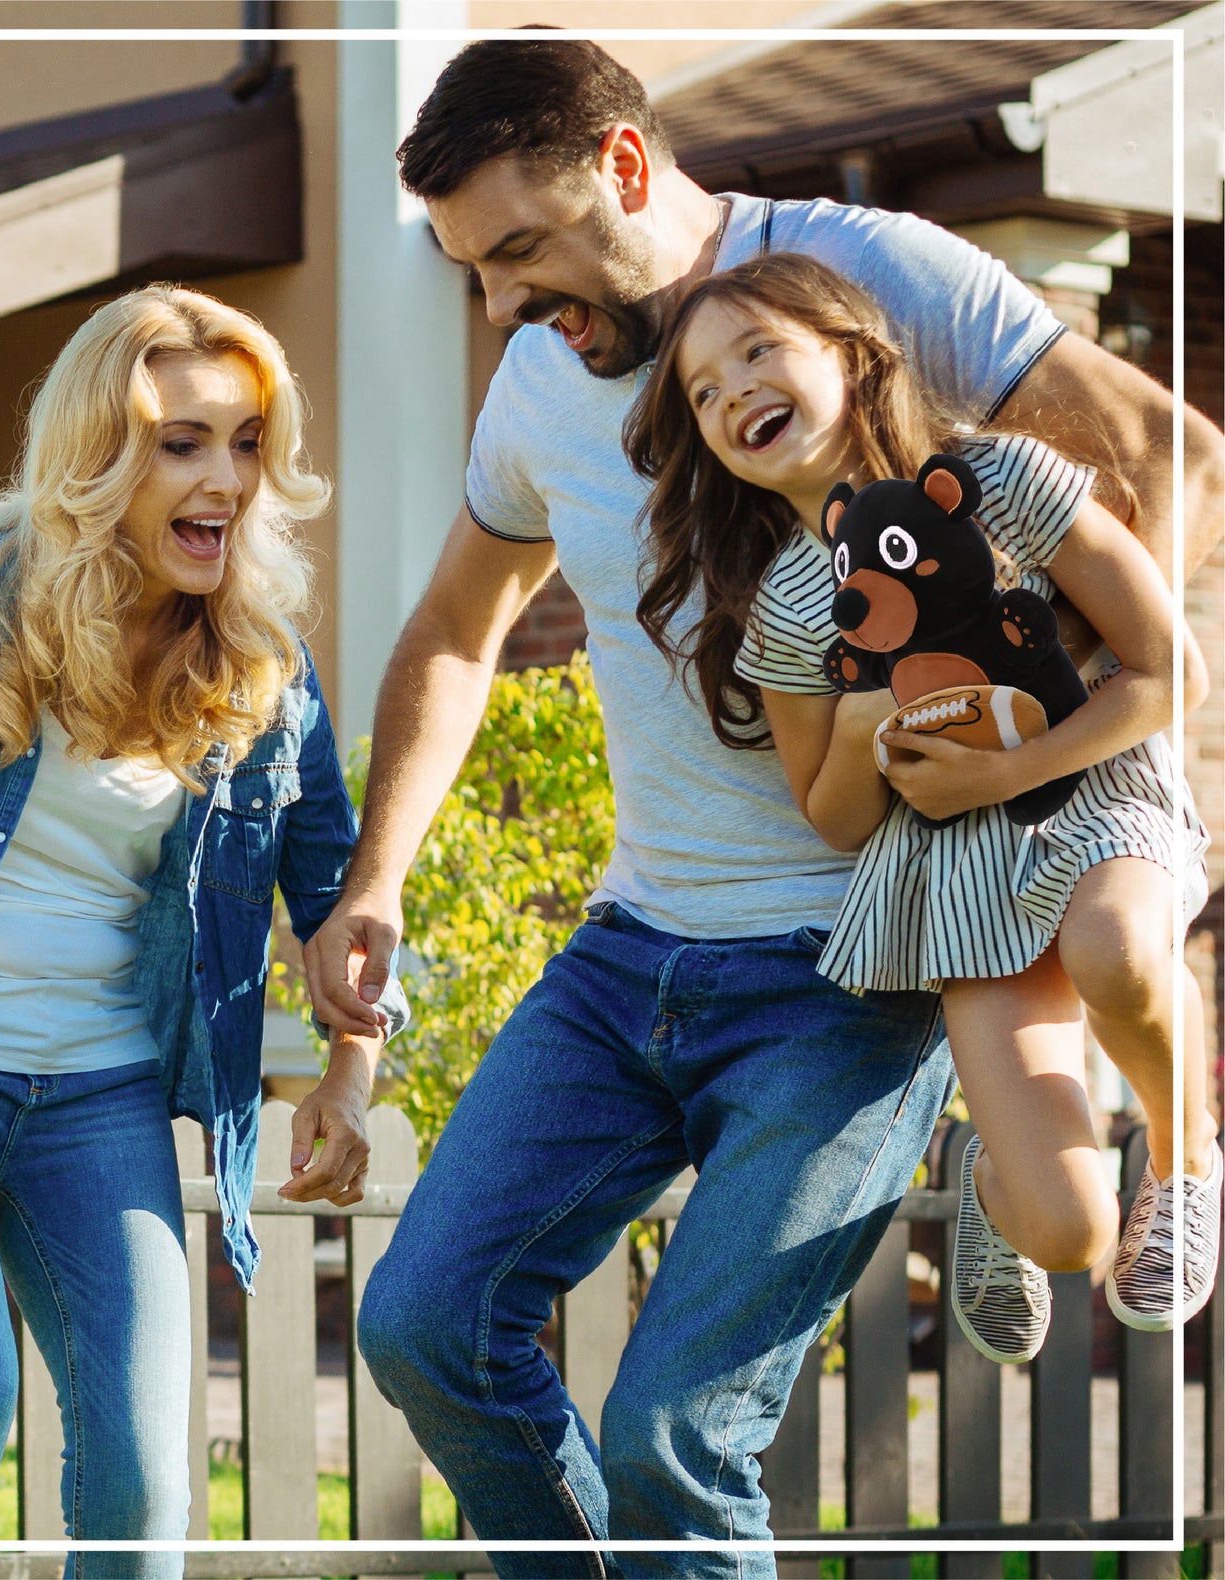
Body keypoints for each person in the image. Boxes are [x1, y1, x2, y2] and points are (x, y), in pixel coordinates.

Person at [299, 37, 1224, 1578]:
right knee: (422, 1326)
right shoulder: (541, 379)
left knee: (676, 1431)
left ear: (625, 166)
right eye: (472, 270)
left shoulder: (870, 276)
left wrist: (1047, 781)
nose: (505, 306)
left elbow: (1158, 453)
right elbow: (459, 633)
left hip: (850, 973)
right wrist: (374, 877)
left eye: (520, 249)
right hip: (631, 951)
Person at [0, 284, 406, 1580]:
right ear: (100, 456)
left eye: (244, 442)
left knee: (142, 1473)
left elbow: (338, 901)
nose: (224, 478)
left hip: (97, 1103)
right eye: (183, 442)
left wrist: (350, 1075)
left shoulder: (259, 670)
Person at [625, 252, 1218, 1368]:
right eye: (701, 390)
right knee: (1069, 1226)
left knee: (1115, 943)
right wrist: (857, 723)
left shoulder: (1000, 479)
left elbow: (1165, 672)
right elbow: (836, 819)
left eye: (756, 350)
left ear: (850, 355)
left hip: (1094, 798)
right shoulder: (791, 611)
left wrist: (1008, 765)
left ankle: (1187, 1156)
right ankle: (999, 1186)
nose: (730, 390)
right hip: (955, 874)